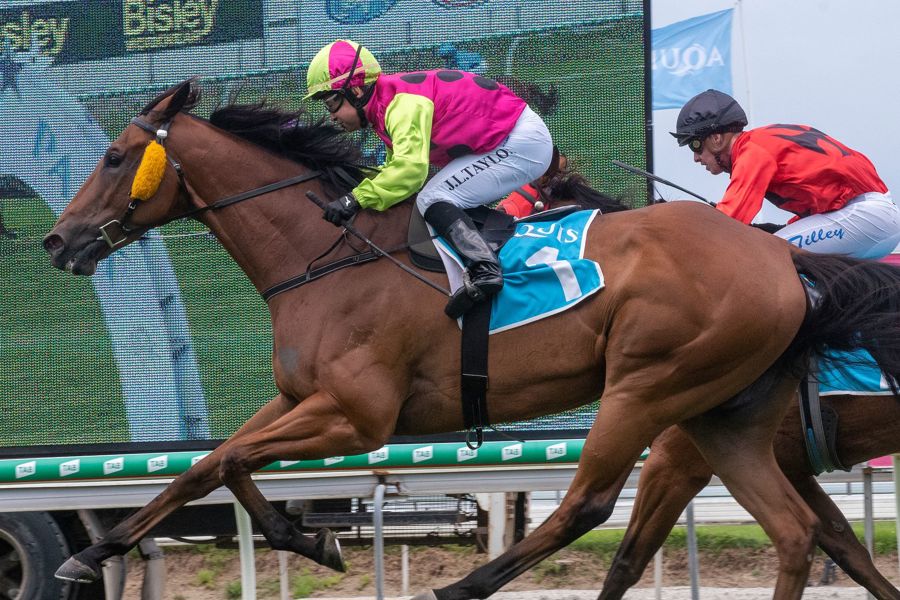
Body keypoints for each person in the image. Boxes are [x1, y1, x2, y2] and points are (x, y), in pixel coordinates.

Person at [304, 39, 554, 317]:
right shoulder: (384, 107)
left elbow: (411, 172)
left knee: (433, 197)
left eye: (332, 103)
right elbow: (393, 169)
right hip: (507, 139)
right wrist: (352, 192)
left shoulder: (400, 106)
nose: (332, 116)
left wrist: (355, 199)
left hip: (520, 143)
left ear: (357, 90)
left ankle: (486, 269)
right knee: (438, 195)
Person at [672, 89, 900, 259]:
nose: (696, 158)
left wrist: (676, 237)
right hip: (870, 217)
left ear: (716, 138)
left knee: (767, 255)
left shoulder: (752, 152)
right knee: (776, 247)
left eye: (695, 146)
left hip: (865, 216)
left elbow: (728, 221)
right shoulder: (761, 141)